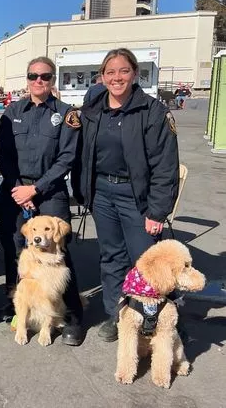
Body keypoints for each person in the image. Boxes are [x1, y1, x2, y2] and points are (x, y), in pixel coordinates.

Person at [72, 48, 179, 342]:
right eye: (110, 72)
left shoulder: (152, 111)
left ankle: (152, 316)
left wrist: (157, 211)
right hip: (102, 193)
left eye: (123, 71)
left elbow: (165, 165)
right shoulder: (93, 108)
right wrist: (84, 191)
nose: (117, 77)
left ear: (135, 74)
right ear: (102, 77)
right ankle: (116, 314)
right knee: (112, 257)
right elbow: (83, 151)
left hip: (137, 196)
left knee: (146, 260)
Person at [0, 56, 85, 346]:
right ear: (27, 79)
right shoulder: (12, 111)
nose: (39, 81)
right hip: (14, 189)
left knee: (58, 253)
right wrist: (19, 188)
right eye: (34, 76)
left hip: (49, 192)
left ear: (53, 80)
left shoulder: (67, 114)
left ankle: (71, 314)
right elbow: (5, 154)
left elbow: (67, 158)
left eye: (45, 77)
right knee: (15, 249)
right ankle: (16, 304)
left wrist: (35, 189)